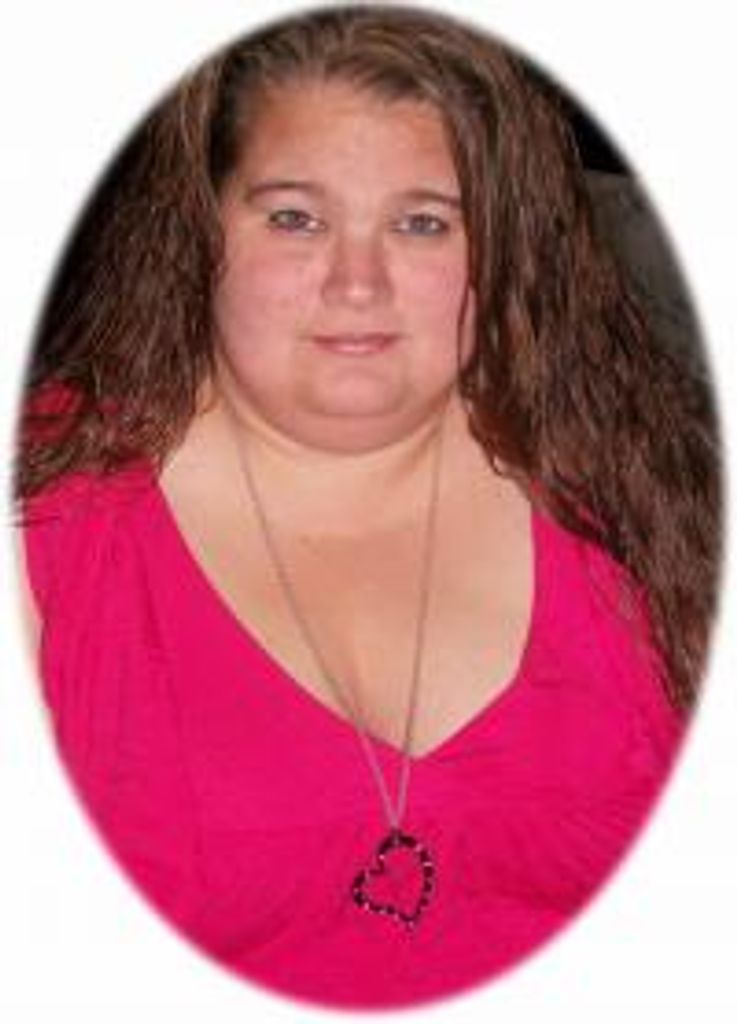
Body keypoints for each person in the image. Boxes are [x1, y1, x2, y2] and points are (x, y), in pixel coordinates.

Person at [14, 4, 720, 1011]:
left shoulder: (635, 484)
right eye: (294, 218)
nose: (357, 283)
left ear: (502, 248)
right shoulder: (44, 512)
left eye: (421, 222)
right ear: (200, 231)